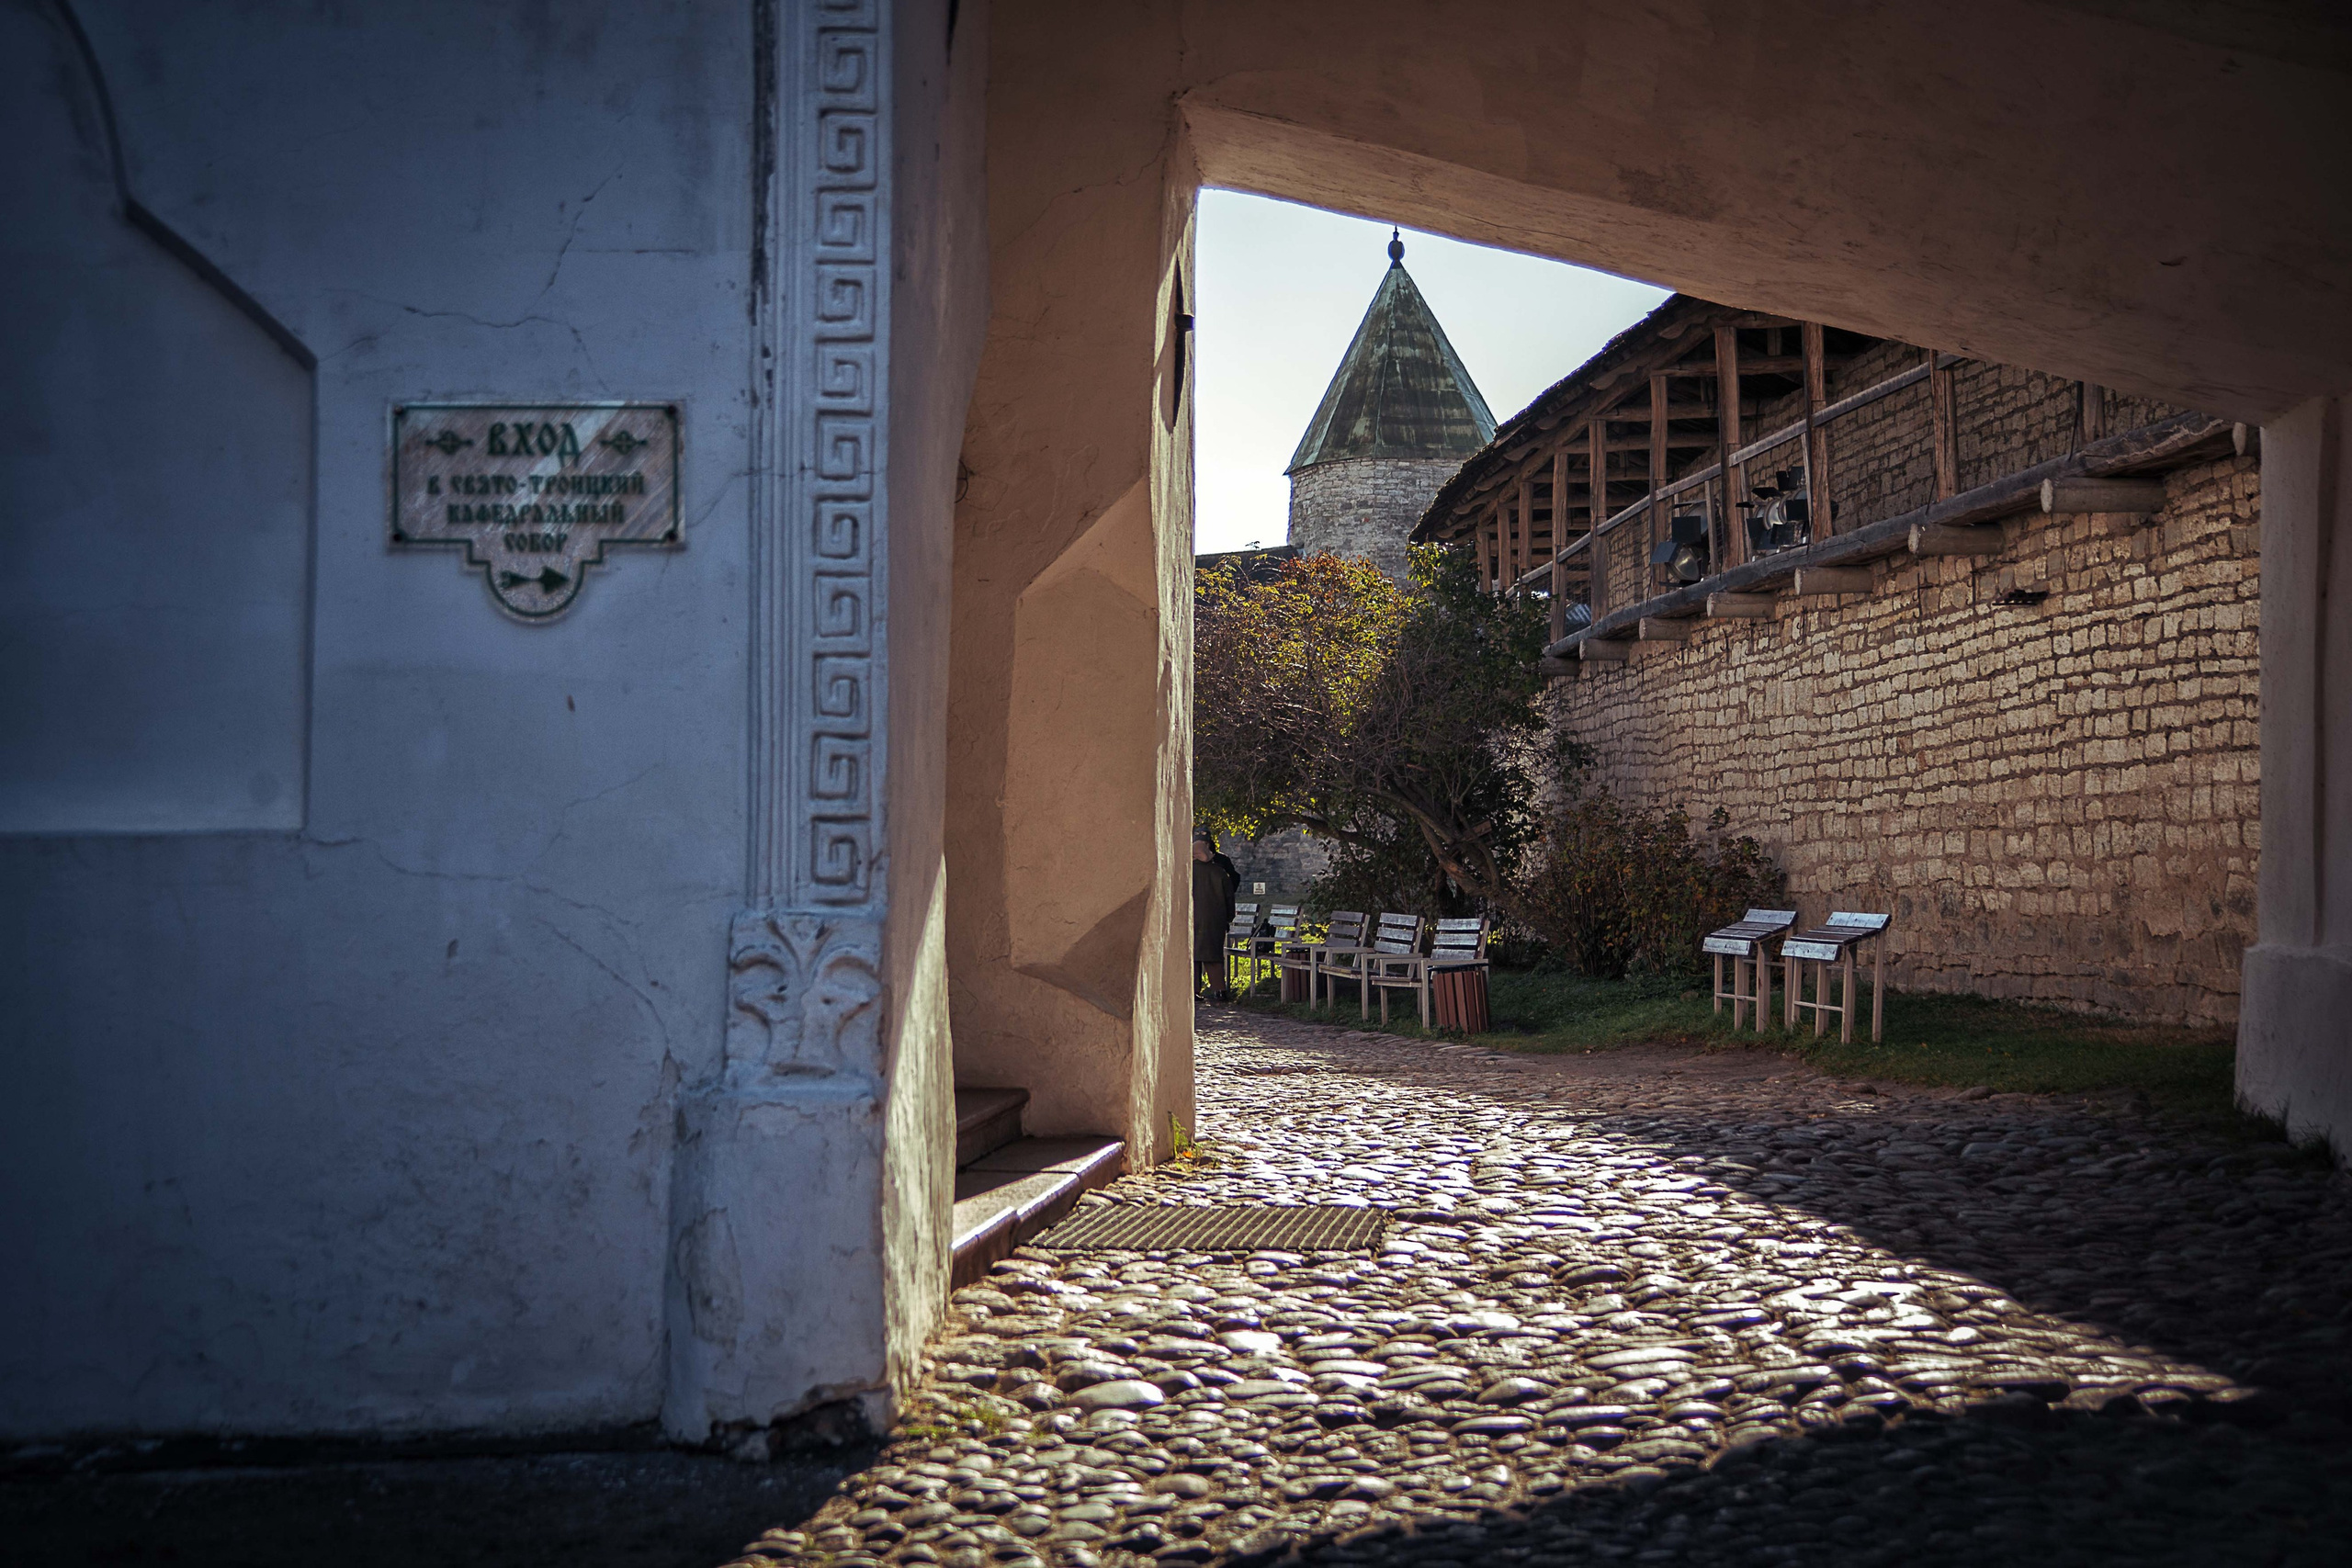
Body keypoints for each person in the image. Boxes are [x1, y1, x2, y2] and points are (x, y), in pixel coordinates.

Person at [1192, 830, 1238, 1002]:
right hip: (1215, 921)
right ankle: (1219, 989)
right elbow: (1229, 898)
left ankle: (1193, 991)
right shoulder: (1219, 873)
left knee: (1193, 956)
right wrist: (1228, 918)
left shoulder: (1187, 872)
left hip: (1192, 919)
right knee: (1213, 956)